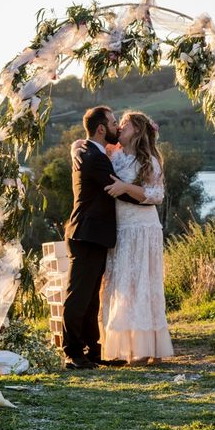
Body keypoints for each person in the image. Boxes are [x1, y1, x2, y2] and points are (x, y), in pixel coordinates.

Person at [73, 110, 174, 365]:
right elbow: (83, 146)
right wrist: (74, 149)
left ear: (138, 132)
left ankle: (148, 348)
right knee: (122, 287)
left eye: (125, 125)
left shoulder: (148, 160)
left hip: (142, 228)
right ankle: (126, 347)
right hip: (120, 229)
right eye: (118, 123)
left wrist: (126, 187)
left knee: (143, 284)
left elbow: (157, 195)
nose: (119, 128)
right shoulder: (113, 155)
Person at [62, 106, 140, 370]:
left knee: (91, 297)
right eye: (114, 122)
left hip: (94, 235)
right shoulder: (91, 156)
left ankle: (91, 351)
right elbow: (118, 189)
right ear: (101, 128)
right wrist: (148, 196)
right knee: (78, 296)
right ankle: (72, 353)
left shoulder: (88, 150)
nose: (118, 126)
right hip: (85, 233)